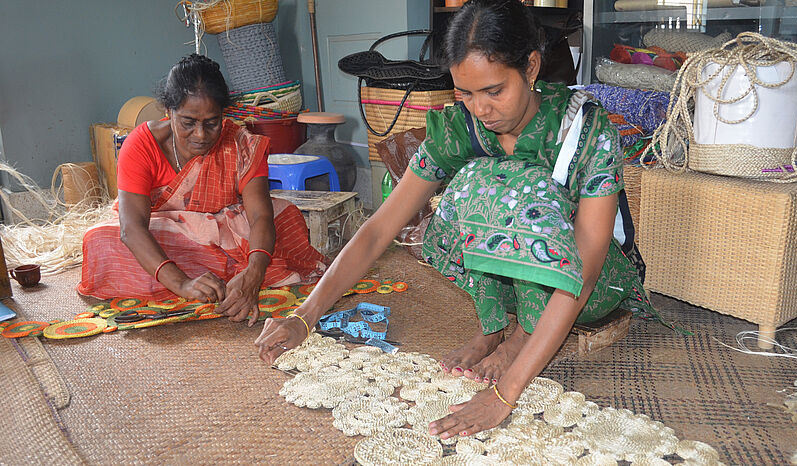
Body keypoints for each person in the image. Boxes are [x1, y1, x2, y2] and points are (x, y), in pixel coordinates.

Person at [255, 0, 652, 437]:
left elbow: (586, 266)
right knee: (469, 186)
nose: (480, 108)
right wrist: (304, 315)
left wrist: (505, 395)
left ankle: (521, 336)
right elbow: (380, 228)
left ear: (532, 67)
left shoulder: (585, 130)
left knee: (512, 185)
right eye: (466, 93)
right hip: (524, 280)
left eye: (494, 90)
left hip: (593, 281)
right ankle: (495, 324)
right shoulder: (462, 128)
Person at [78, 54, 326, 326]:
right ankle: (208, 277)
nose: (200, 135)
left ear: (224, 115)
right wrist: (181, 284)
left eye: (212, 123)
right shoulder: (141, 145)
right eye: (188, 122)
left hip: (226, 229)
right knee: (100, 239)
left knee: (285, 214)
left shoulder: (240, 144)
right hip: (171, 235)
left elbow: (260, 217)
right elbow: (132, 228)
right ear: (168, 111)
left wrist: (255, 274)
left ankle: (230, 275)